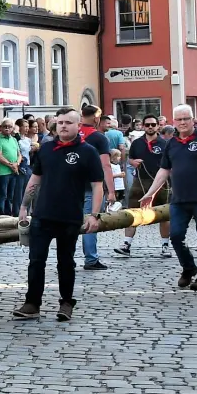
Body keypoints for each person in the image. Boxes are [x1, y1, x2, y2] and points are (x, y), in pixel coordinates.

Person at [16, 108, 104, 320]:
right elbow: (35, 180)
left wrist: (94, 215)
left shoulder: (88, 151)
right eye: (60, 122)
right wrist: (23, 206)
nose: (63, 126)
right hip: (42, 215)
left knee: (66, 262)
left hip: (70, 216)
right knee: (36, 261)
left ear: (78, 125)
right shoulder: (46, 149)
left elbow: (97, 186)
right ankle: (32, 303)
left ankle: (66, 302)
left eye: (68, 122)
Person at [140, 104, 197, 290]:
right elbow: (164, 170)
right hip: (179, 200)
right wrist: (150, 193)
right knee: (175, 236)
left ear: (192, 119)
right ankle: (188, 268)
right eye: (179, 119)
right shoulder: (171, 142)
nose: (182, 122)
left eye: (186, 119)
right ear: (174, 121)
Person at [76, 104, 116, 270]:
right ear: (96, 118)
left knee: (69, 223)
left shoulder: (72, 134)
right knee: (91, 221)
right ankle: (91, 259)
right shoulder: (99, 138)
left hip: (70, 186)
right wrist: (112, 191)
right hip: (91, 185)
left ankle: (66, 258)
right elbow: (106, 165)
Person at [0, 120, 21, 215]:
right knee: (2, 195)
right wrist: (11, 165)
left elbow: (19, 155)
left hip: (13, 172)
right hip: (3, 173)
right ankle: (1, 215)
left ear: (12, 128)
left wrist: (17, 164)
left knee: (10, 196)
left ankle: (8, 215)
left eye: (9, 126)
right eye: (5, 126)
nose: (7, 128)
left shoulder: (14, 140)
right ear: (0, 127)